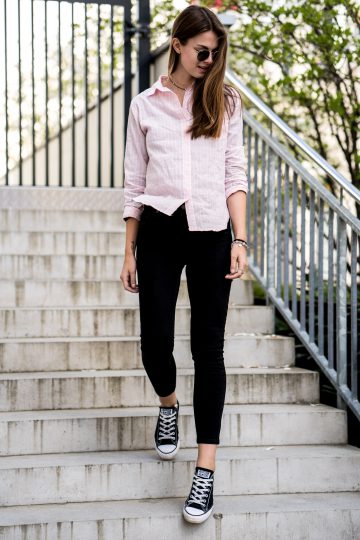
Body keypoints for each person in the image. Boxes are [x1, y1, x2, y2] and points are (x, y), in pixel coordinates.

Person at [120, 4, 248, 525]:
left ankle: (205, 470)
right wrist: (128, 249)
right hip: (159, 230)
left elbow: (235, 171)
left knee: (208, 349)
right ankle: (168, 405)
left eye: (215, 53)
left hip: (213, 233)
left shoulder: (225, 101)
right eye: (201, 50)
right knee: (154, 342)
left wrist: (241, 238)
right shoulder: (144, 106)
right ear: (177, 43)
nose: (208, 60)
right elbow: (134, 183)